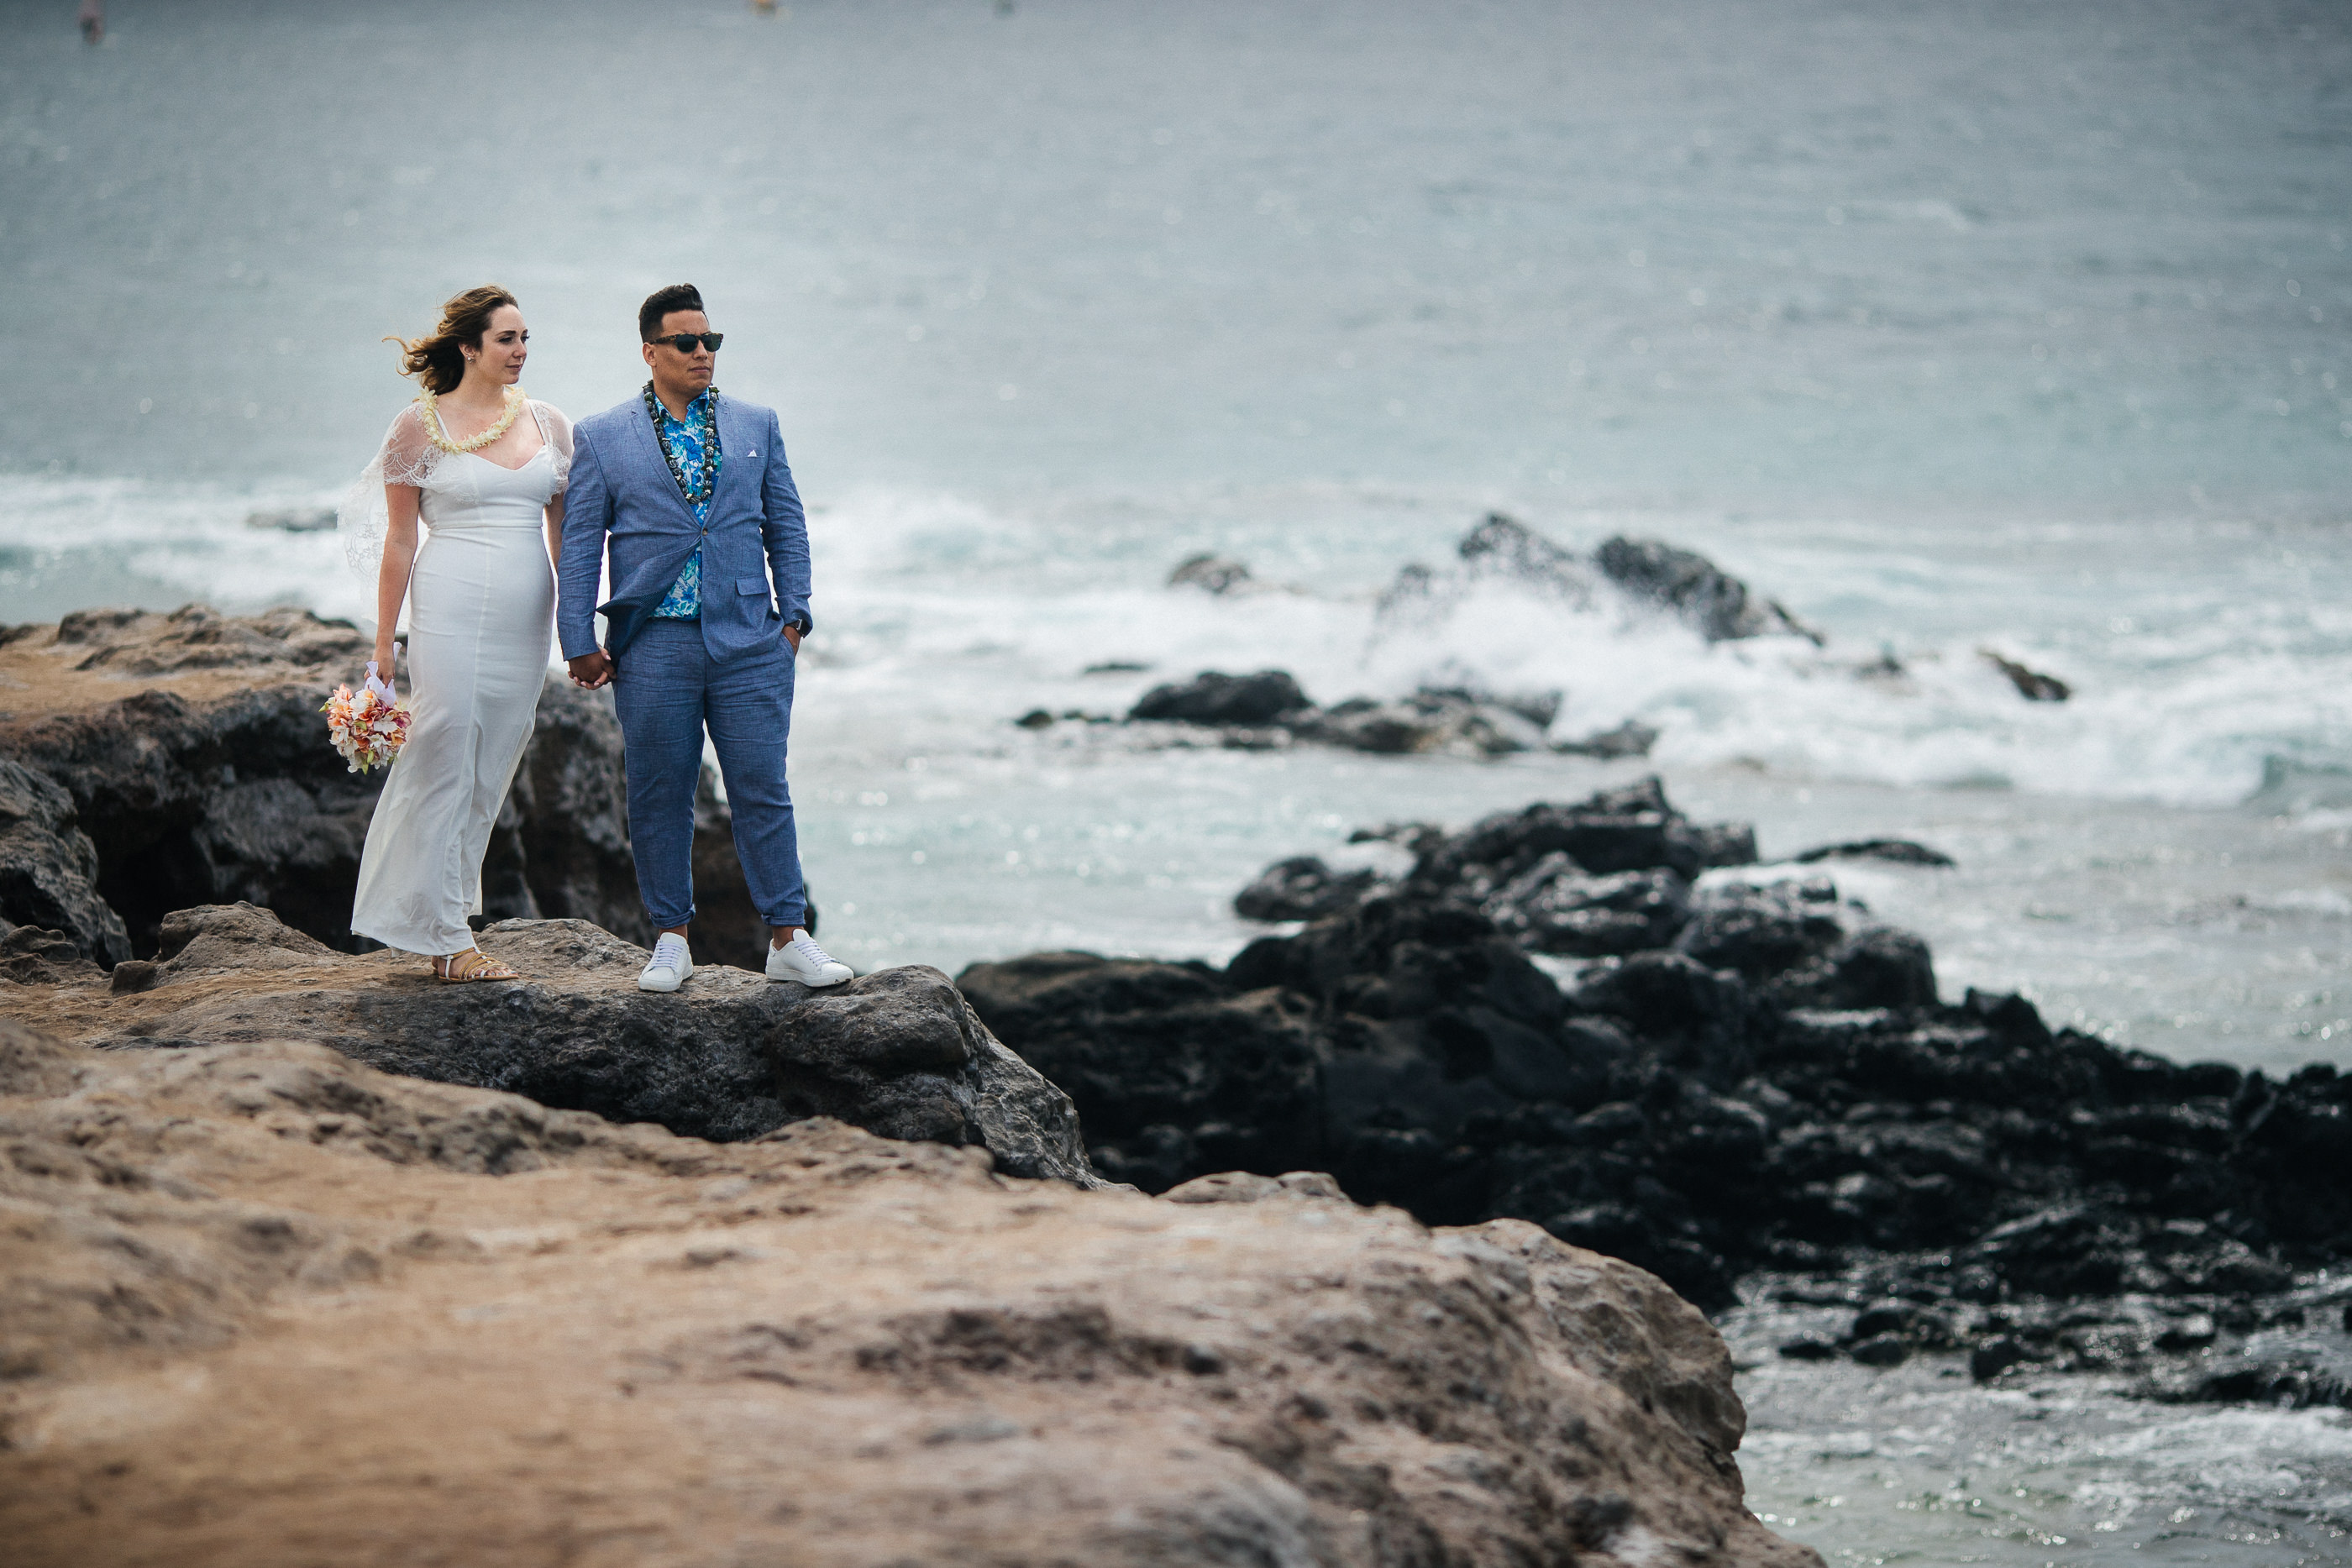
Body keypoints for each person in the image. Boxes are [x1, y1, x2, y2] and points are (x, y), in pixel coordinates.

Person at [557, 283, 851, 994]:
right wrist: (577, 639)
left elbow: (788, 525)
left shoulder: (758, 424)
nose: (702, 354)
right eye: (687, 342)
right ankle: (669, 938)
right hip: (654, 640)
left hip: (751, 640)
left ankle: (788, 935)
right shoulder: (603, 434)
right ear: (651, 351)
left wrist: (795, 618)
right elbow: (580, 542)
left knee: (762, 786)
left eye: (710, 341)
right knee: (659, 790)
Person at [340, 286, 570, 981]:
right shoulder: (419, 426)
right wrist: (386, 641)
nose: (521, 350)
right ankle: (446, 939)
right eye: (507, 338)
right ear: (469, 347)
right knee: (443, 749)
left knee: (491, 762)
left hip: (524, 622)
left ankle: (442, 915)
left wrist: (580, 625)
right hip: (449, 609)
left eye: (526, 337)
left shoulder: (552, 425)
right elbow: (401, 541)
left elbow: (568, 536)